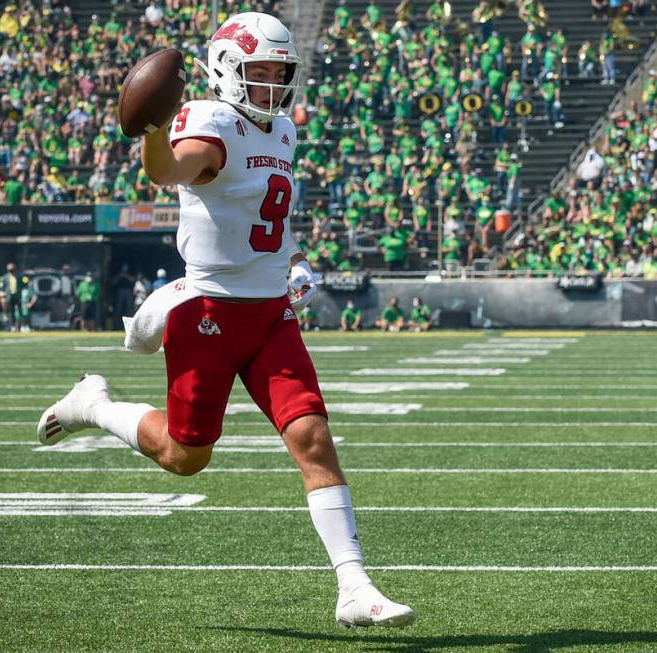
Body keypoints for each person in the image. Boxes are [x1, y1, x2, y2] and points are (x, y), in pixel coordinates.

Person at [36, 13, 414, 630]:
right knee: (186, 457)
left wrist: (292, 258)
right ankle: (92, 405)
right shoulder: (209, 124)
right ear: (226, 71)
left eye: (278, 73)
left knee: (313, 438)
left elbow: (268, 213)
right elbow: (167, 172)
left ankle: (354, 587)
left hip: (269, 314)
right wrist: (153, 129)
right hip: (208, 311)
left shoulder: (284, 130)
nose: (269, 85)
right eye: (257, 72)